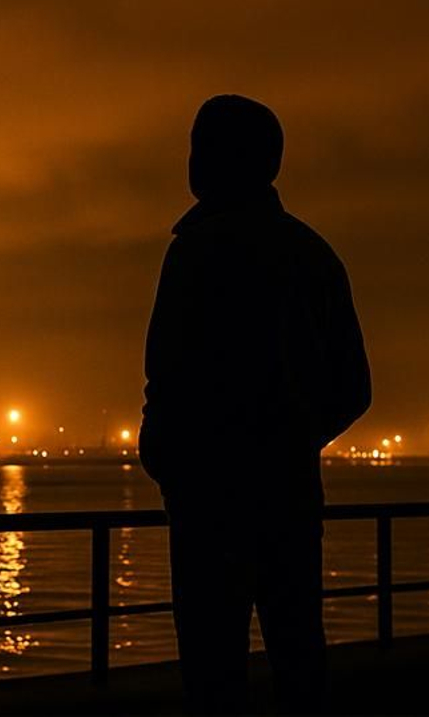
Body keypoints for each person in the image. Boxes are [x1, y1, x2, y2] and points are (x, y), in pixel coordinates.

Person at [140, 94, 370, 713]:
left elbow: (166, 372)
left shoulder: (196, 250)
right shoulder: (313, 255)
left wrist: (173, 456)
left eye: (201, 147)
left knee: (212, 666)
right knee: (299, 654)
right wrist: (292, 439)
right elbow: (355, 388)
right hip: (290, 498)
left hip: (208, 503)